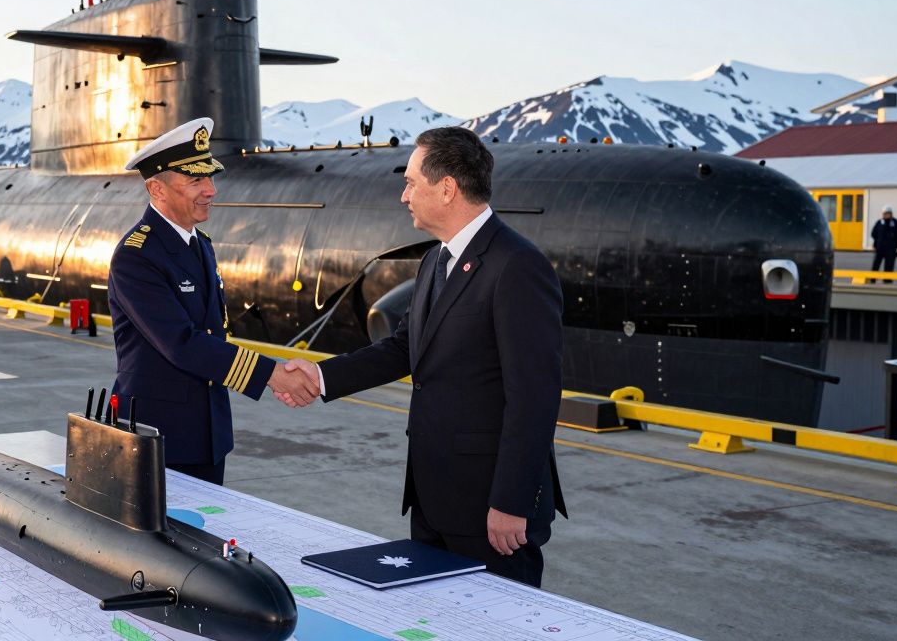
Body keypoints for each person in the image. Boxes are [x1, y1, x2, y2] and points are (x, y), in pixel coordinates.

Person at [284, 127, 566, 588]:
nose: (403, 195)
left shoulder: (516, 266)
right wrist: (319, 376)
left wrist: (511, 501)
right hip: (434, 497)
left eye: (412, 182)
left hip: (490, 507)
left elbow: (534, 396)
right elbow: (404, 349)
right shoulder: (436, 260)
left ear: (448, 188)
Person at [106, 117, 319, 485]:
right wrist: (271, 374)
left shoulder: (199, 244)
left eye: (210, 178)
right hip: (158, 435)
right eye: (195, 180)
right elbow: (181, 344)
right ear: (157, 189)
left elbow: (212, 331)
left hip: (207, 433)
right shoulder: (136, 255)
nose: (210, 190)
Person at [871, 206, 897, 284]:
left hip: (891, 249)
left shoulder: (895, 223)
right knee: (876, 264)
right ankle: (872, 279)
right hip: (880, 248)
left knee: (889, 265)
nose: (886, 215)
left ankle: (887, 280)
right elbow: (874, 234)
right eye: (885, 214)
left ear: (891, 214)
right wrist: (875, 244)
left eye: (888, 213)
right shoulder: (879, 222)